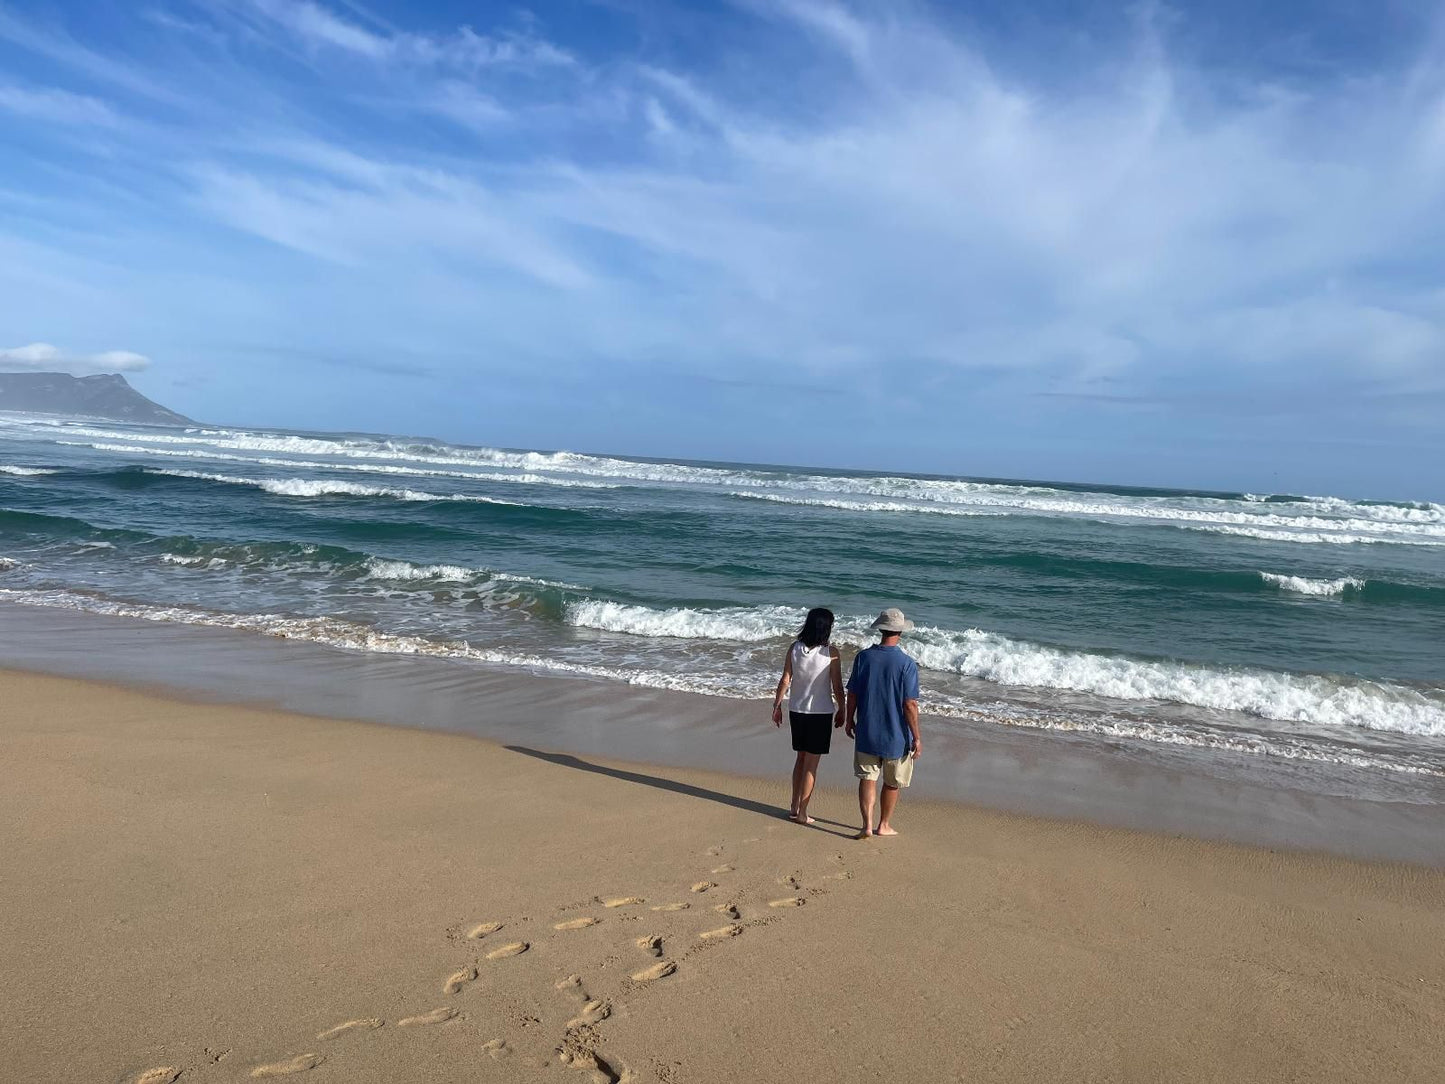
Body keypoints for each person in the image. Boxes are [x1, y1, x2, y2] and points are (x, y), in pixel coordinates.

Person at [844, 607, 920, 839]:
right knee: (892, 783)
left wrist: (849, 719)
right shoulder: (907, 664)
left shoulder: (863, 657)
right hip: (896, 735)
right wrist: (917, 736)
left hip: (867, 730)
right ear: (900, 632)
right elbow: (909, 705)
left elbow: (853, 694)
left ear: (881, 629)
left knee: (868, 778)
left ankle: (866, 825)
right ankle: (883, 824)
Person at [771, 607, 845, 825]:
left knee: (801, 758)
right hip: (819, 712)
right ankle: (802, 812)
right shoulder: (831, 653)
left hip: (797, 710)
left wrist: (776, 705)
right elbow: (837, 686)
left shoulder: (794, 648)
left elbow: (785, 679)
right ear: (826, 628)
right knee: (811, 764)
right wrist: (844, 709)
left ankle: (794, 806)